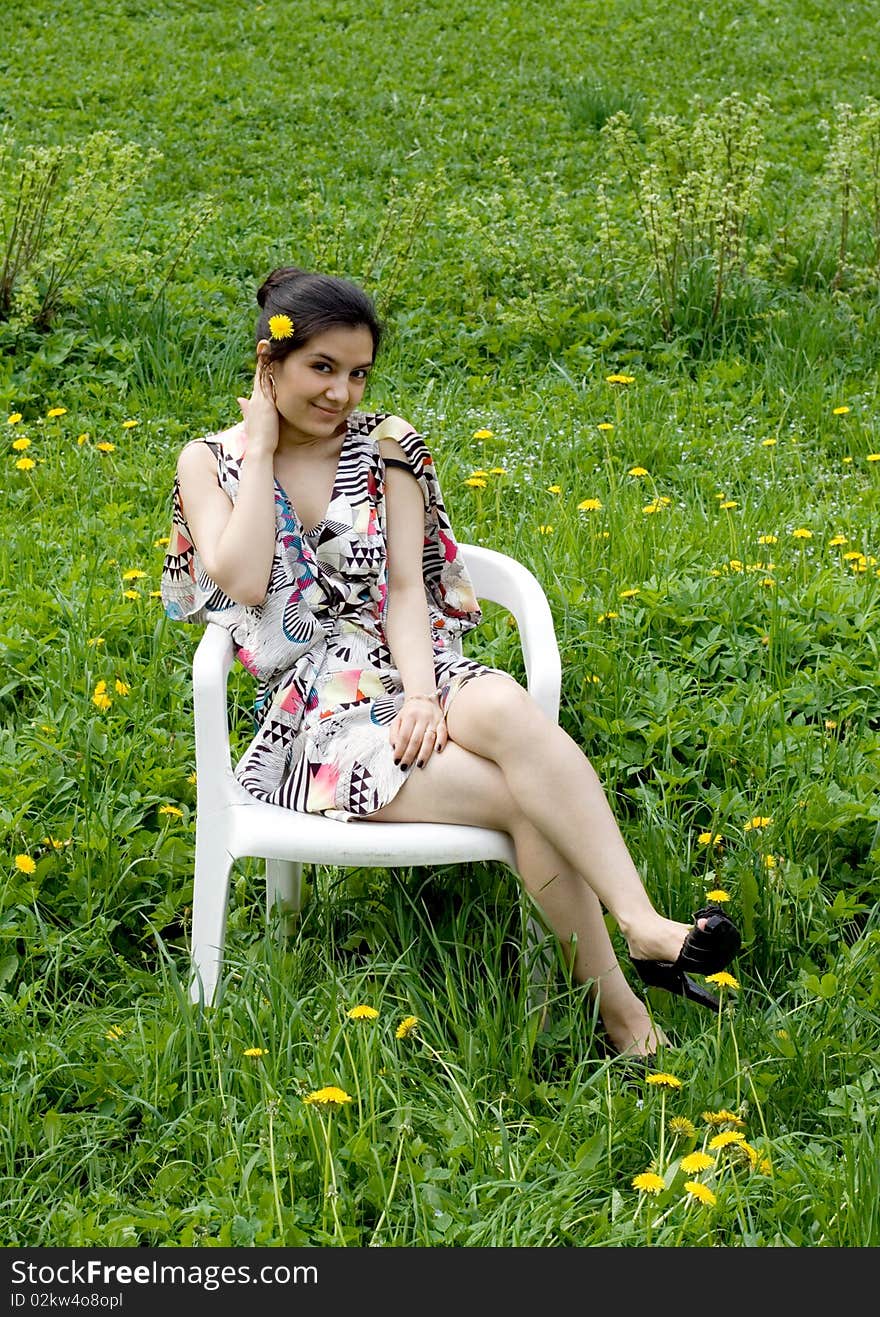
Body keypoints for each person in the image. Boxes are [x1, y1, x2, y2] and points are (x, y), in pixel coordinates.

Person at [161, 266, 740, 1059]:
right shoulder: (210, 461)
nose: (342, 394)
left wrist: (426, 696)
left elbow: (406, 587)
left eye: (358, 373)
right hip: (315, 709)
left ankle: (642, 923)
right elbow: (245, 578)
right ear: (269, 363)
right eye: (321, 368)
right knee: (519, 797)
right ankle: (627, 1018)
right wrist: (260, 450)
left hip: (409, 664)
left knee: (504, 707)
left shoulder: (388, 446)